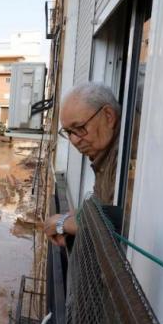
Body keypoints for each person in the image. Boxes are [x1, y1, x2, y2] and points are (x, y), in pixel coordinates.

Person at [44, 82, 121, 247]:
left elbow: (123, 222)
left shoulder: (129, 159)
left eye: (79, 128)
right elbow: (99, 205)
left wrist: (62, 223)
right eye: (69, 133)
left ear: (108, 116)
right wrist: (71, 219)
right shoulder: (104, 156)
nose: (74, 140)